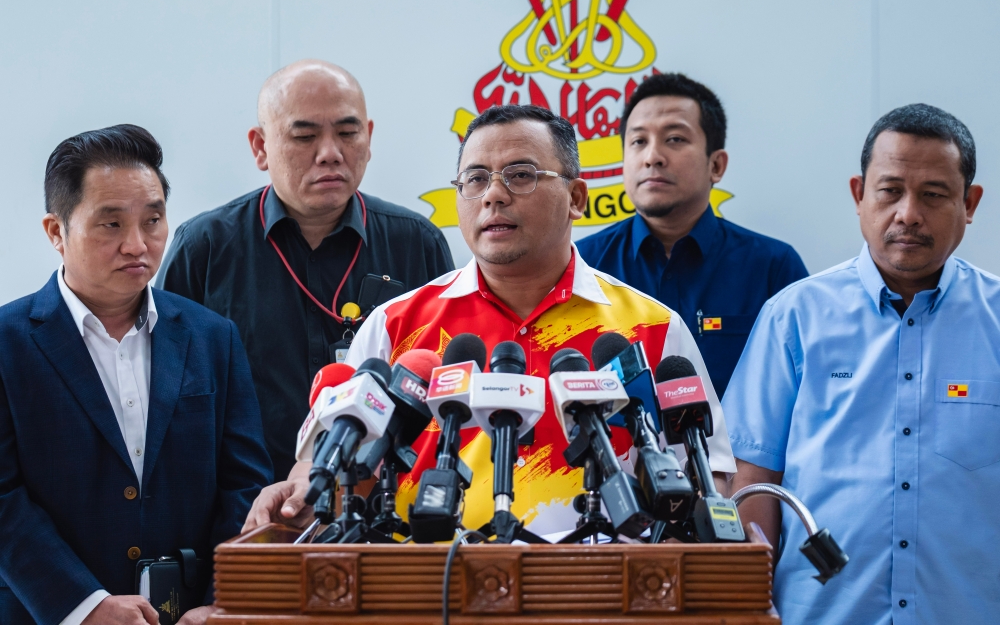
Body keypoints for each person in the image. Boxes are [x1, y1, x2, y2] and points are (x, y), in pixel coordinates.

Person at [244, 104, 736, 538]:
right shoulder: (394, 327)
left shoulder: (650, 328)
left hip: (603, 597)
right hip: (424, 594)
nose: (493, 196)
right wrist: (300, 496)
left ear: (577, 198)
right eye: (475, 179)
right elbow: (324, 473)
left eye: (521, 175)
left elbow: (708, 476)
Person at [724, 104, 995, 624]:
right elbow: (752, 479)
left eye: (934, 195)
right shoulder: (794, 317)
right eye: (890, 190)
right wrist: (752, 603)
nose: (908, 214)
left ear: (970, 202)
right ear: (859, 195)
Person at [0, 125, 272, 625]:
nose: (137, 244)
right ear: (56, 232)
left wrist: (222, 600)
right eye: (110, 225)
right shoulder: (7, 341)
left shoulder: (213, 337)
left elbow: (245, 487)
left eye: (153, 220)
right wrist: (84, 606)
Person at [157, 60, 455, 481]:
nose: (330, 152)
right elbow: (169, 398)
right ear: (260, 147)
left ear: (369, 138)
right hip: (245, 508)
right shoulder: (205, 247)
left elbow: (445, 393)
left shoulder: (417, 244)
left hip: (383, 504)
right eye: (305, 136)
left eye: (348, 133)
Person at [576, 73, 808, 397]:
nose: (652, 156)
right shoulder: (583, 266)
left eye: (674, 139)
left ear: (716, 165)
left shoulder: (773, 268)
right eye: (638, 141)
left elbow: (804, 392)